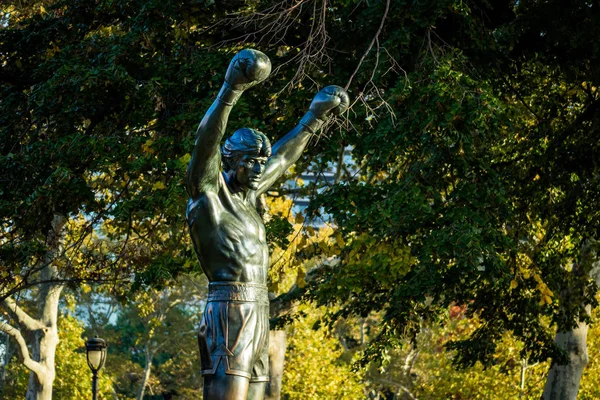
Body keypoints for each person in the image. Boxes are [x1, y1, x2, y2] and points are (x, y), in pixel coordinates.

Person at [186, 49, 349, 400]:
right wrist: (231, 90)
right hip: (230, 309)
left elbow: (283, 156)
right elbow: (205, 144)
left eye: (261, 162)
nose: (259, 169)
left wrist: (314, 118)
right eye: (250, 162)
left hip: (259, 309)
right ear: (230, 160)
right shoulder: (209, 196)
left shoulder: (250, 196)